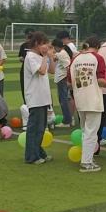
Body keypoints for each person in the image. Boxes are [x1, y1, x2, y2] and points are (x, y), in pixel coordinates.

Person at [69, 36, 106, 172]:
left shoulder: (75, 59)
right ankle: (86, 162)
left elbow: (69, 82)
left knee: (85, 131)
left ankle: (87, 158)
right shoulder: (98, 58)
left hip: (80, 99)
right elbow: (101, 80)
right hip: (94, 100)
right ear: (98, 47)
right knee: (91, 132)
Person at [23, 32, 55, 164]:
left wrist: (50, 57)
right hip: (35, 97)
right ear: (36, 43)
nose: (45, 46)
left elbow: (52, 71)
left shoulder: (40, 56)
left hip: (42, 97)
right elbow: (41, 71)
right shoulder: (31, 56)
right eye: (43, 44)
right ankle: (32, 156)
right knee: (34, 128)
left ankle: (38, 152)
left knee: (40, 128)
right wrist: (45, 56)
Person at [51, 39, 74, 127]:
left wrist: (68, 79)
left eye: (54, 47)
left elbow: (68, 66)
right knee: (64, 100)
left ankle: (67, 121)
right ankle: (68, 120)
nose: (54, 49)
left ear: (57, 47)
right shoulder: (62, 53)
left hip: (62, 79)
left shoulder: (61, 53)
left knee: (63, 100)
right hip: (62, 79)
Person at [18, 28, 34, 102]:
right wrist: (24, 59)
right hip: (24, 69)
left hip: (34, 69)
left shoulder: (37, 46)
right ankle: (26, 103)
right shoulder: (23, 45)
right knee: (24, 87)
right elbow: (20, 57)